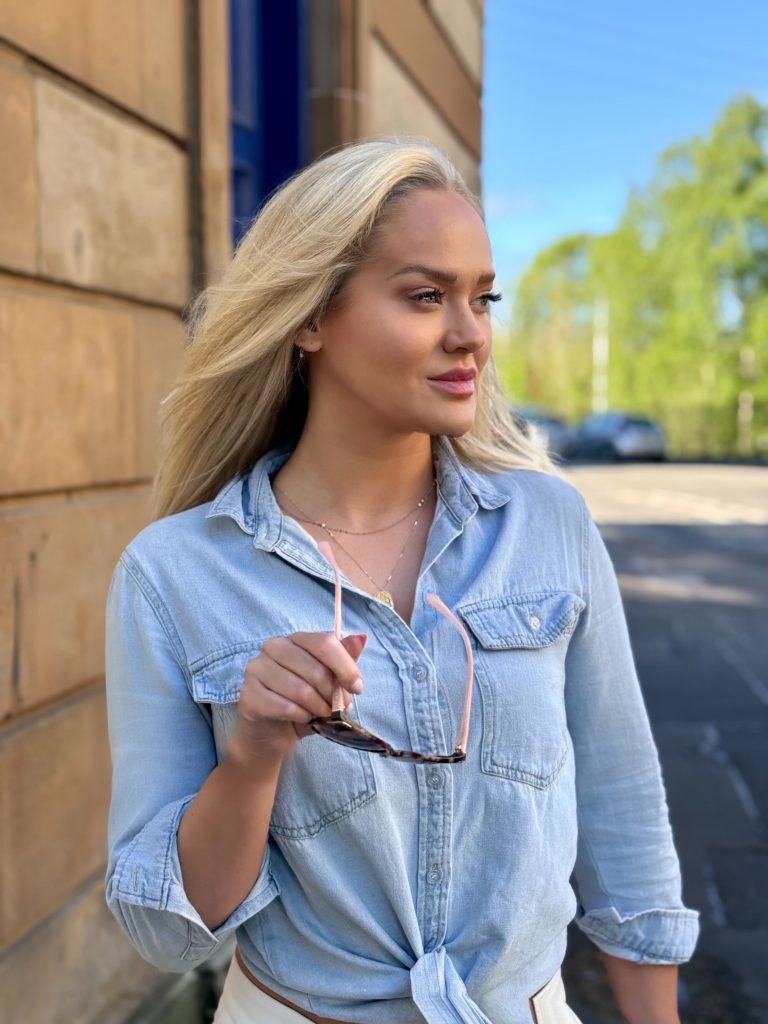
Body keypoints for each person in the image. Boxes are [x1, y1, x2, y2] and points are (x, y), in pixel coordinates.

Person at [104, 137, 698, 1024]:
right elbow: (168, 933)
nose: (470, 335)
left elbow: (624, 810)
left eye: (482, 298)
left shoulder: (548, 525)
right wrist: (254, 756)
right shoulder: (173, 574)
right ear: (310, 318)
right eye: (426, 297)